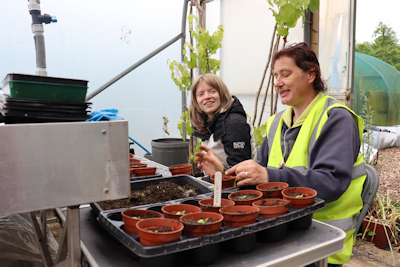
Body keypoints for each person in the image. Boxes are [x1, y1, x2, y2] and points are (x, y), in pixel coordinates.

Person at [195, 43, 366, 266]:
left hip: (321, 239)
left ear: (311, 74)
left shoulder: (335, 118)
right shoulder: (277, 123)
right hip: (279, 230)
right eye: (275, 76)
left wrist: (270, 176)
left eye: (285, 74)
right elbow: (258, 179)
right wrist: (225, 176)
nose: (277, 82)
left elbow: (330, 182)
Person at [190, 73, 257, 178]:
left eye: (212, 91)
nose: (207, 97)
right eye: (201, 94)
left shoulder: (234, 124)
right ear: (196, 101)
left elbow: (241, 173)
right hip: (220, 183)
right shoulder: (210, 123)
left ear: (222, 94)